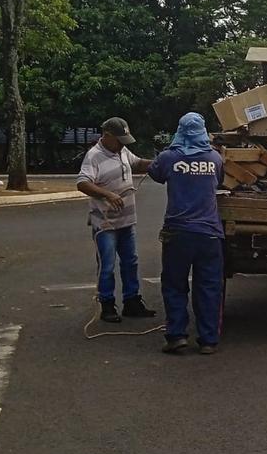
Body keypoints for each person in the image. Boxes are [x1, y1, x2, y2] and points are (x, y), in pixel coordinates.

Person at [147, 112, 225, 356]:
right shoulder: (215, 158)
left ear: (180, 131)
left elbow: (154, 173)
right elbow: (219, 182)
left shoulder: (169, 158)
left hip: (178, 233)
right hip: (210, 234)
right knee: (209, 287)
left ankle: (177, 336)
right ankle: (208, 340)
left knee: (174, 285)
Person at [76, 117, 156, 323]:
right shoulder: (94, 156)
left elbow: (137, 163)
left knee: (131, 261)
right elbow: (82, 183)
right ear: (107, 135)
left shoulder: (122, 151)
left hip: (126, 220)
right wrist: (107, 194)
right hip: (105, 222)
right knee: (107, 264)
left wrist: (157, 163)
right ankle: (107, 304)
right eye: (119, 139)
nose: (122, 143)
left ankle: (132, 301)